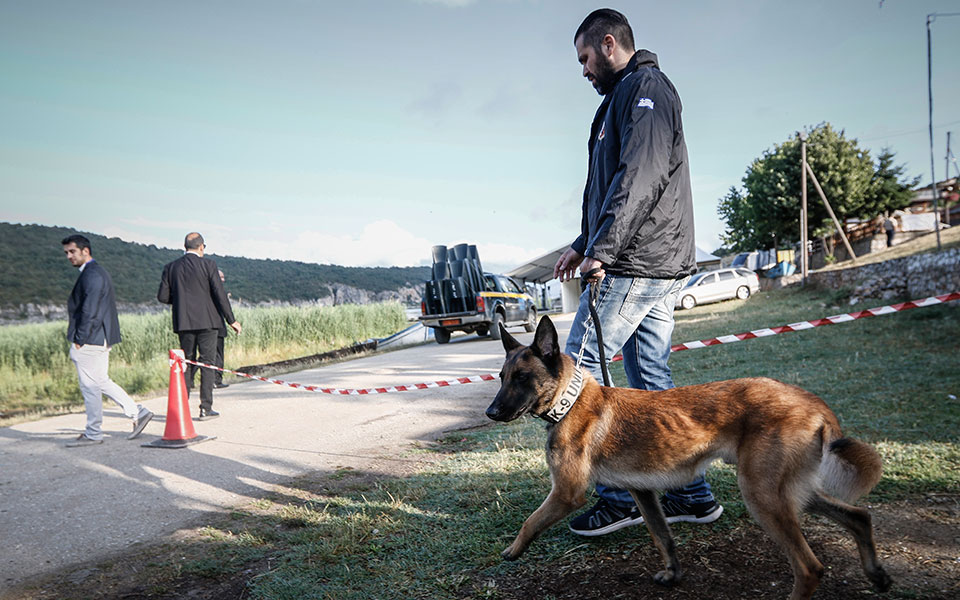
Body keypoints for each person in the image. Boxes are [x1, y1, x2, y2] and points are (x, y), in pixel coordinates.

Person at [554, 9, 722, 536]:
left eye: (584, 58)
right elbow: (608, 187)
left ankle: (617, 495)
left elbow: (642, 175)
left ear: (608, 44)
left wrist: (603, 249)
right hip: (649, 255)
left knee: (577, 370)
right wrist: (582, 242)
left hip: (638, 260)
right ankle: (690, 495)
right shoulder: (617, 101)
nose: (582, 70)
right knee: (650, 378)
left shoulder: (645, 88)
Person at [62, 234, 153, 446]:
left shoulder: (92, 275)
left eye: (72, 251)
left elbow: (90, 311)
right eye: (66, 252)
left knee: (89, 386)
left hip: (90, 339)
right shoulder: (95, 272)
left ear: (85, 251)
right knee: (100, 381)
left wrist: (79, 339)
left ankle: (93, 433)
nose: (68, 256)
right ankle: (138, 412)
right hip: (100, 337)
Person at [158, 233, 241, 420]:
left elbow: (163, 297)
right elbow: (219, 295)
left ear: (185, 246)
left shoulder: (171, 267)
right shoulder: (209, 265)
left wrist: (181, 300)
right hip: (208, 322)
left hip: (184, 322)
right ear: (201, 247)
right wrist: (231, 320)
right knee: (207, 363)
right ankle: (205, 407)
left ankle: (182, 408)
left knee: (186, 363)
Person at [214, 269, 229, 389]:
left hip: (207, 327)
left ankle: (192, 378)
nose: (223, 280)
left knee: (205, 355)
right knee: (218, 355)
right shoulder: (219, 292)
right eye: (221, 277)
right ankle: (217, 380)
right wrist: (232, 321)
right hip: (218, 326)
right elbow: (225, 307)